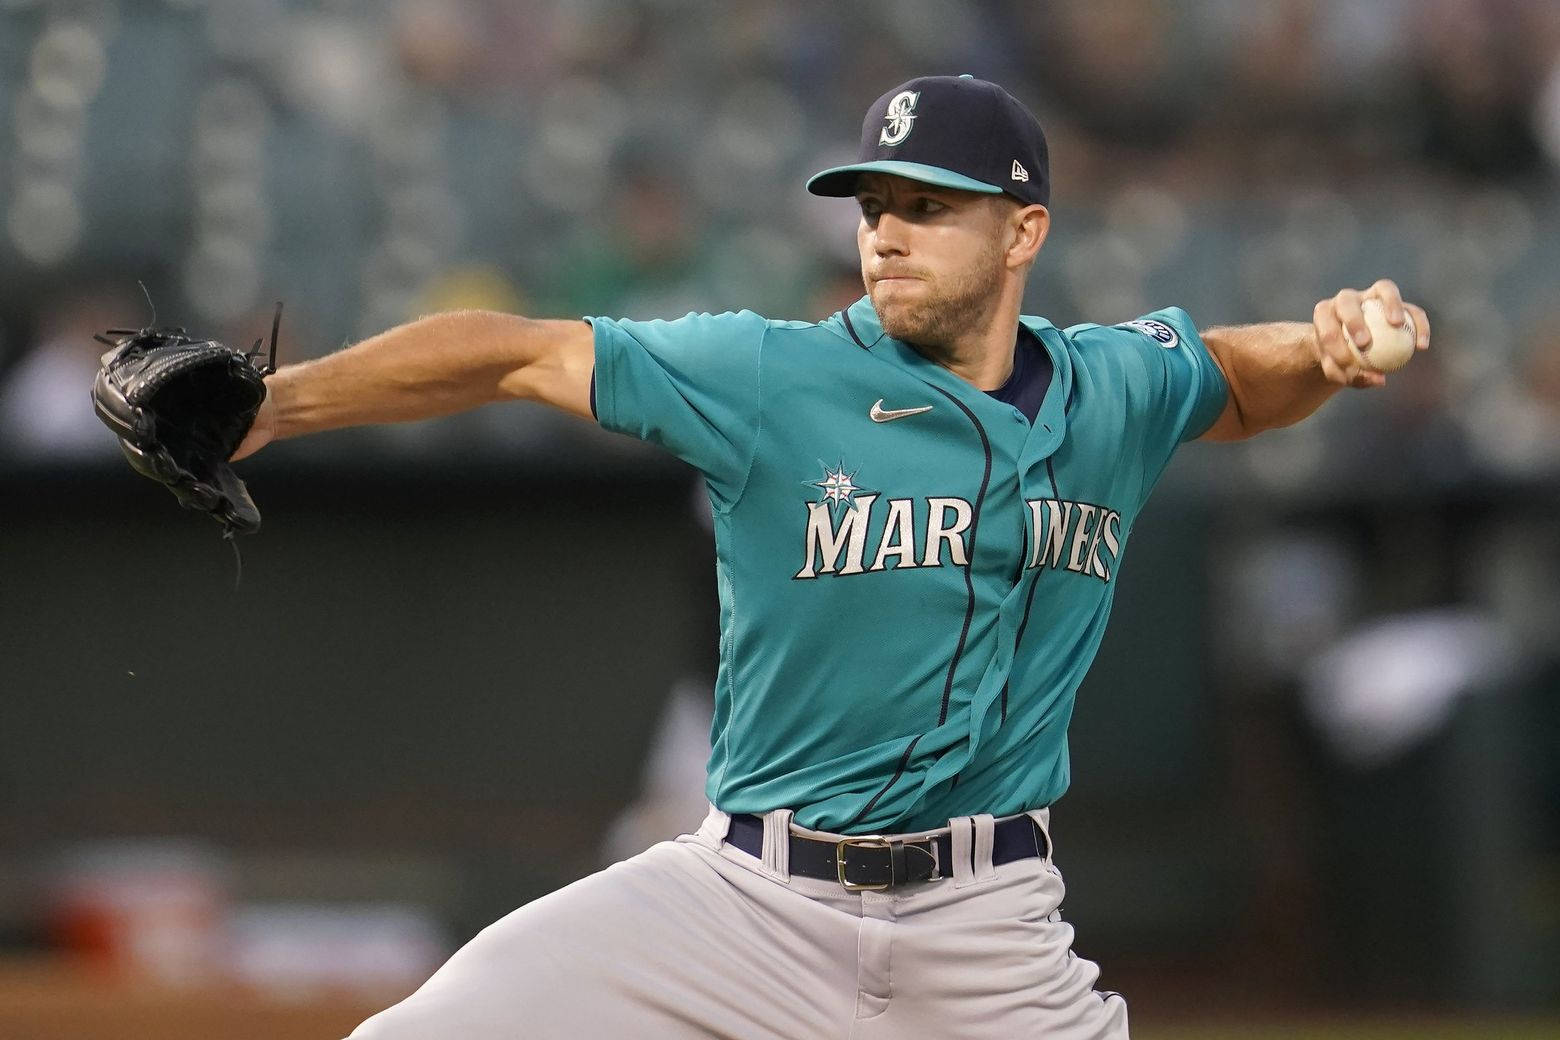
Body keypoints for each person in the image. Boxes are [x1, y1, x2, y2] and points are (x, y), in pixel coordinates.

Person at [233, 75, 1430, 1039]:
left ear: (1025, 232)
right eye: (873, 208)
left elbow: (1226, 379)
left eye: (928, 207)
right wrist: (277, 406)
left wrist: (1322, 354)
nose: (887, 236)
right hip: (747, 897)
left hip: (987, 923)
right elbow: (510, 351)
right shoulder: (770, 373)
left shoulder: (1109, 385)